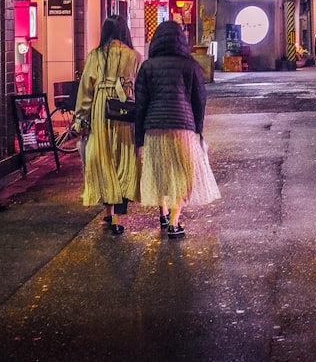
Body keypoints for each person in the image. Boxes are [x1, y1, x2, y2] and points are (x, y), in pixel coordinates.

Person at [134, 20, 220, 239]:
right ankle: (174, 222)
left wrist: (139, 140)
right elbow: (199, 100)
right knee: (183, 176)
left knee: (160, 172)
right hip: (183, 128)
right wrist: (198, 130)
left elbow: (140, 105)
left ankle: (162, 214)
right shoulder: (190, 65)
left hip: (153, 128)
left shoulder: (147, 66)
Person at [72, 14, 142, 236]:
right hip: (124, 111)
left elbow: (85, 90)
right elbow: (140, 89)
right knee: (123, 160)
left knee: (103, 160)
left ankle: (109, 213)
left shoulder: (94, 56)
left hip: (101, 111)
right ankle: (118, 217)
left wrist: (80, 119)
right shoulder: (134, 56)